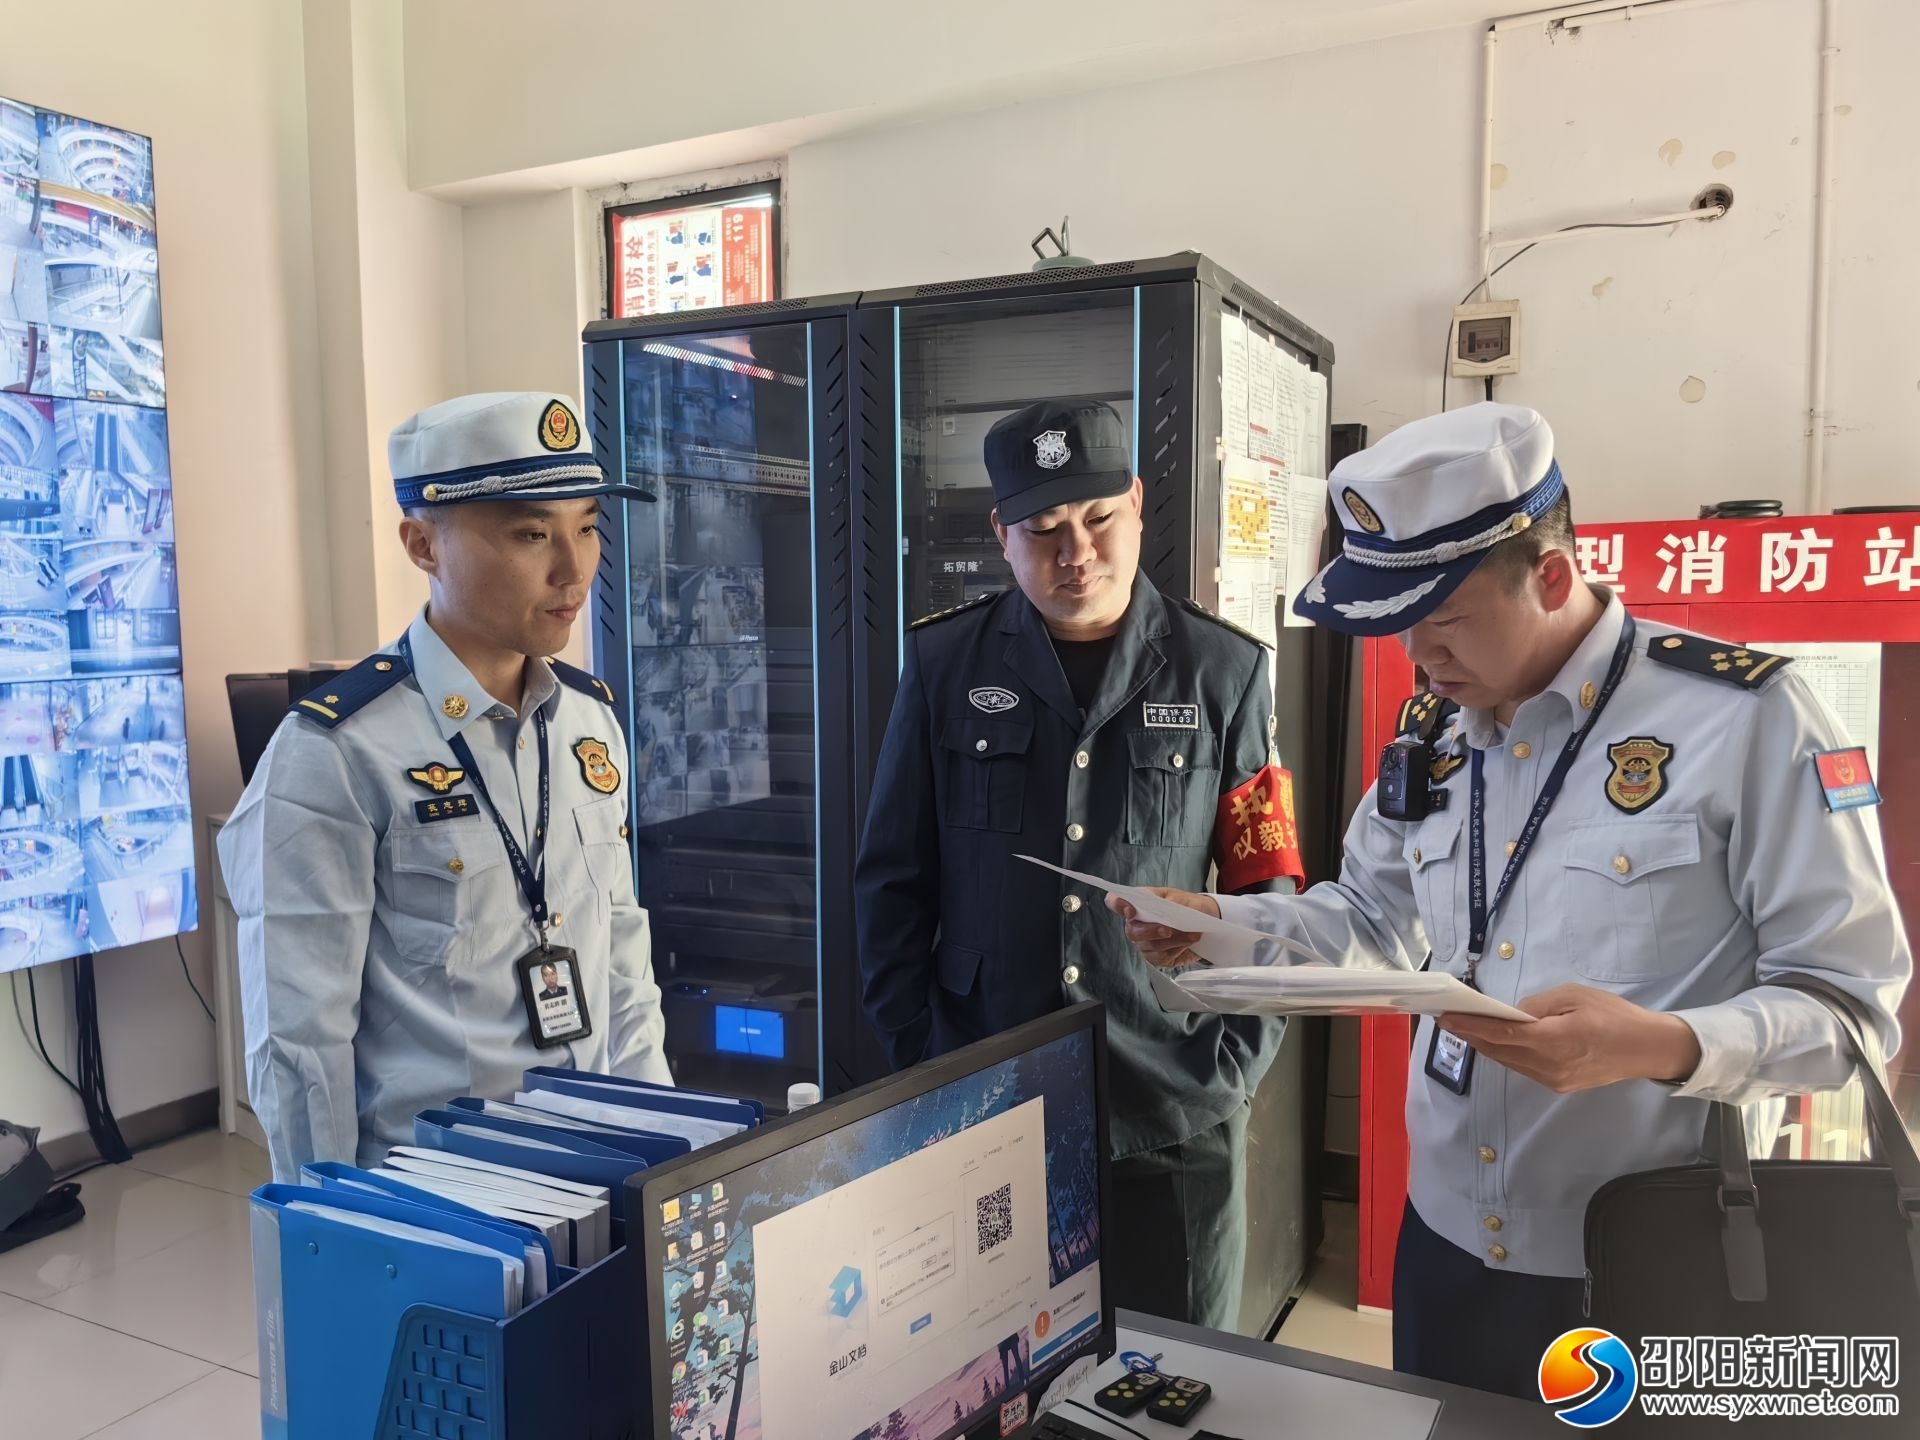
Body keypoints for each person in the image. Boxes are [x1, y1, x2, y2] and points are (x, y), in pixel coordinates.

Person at [1114, 402, 1912, 1396]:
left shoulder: (1745, 721)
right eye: (1402, 627)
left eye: (1443, 620)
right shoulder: (1436, 730)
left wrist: (1658, 1045)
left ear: (1553, 577)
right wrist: (1216, 926)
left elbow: (1851, 1008)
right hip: (1445, 1237)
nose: (1419, 657)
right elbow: (1369, 921)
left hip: (1647, 1253)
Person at [856, 397, 1305, 1330]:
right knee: (991, 1367)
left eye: (1099, 518)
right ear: (1001, 534)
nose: (1077, 553)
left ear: (1137, 503)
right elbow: (892, 880)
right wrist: (924, 1056)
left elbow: (1269, 890)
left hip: (1172, 1101)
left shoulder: (1224, 671)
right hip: (984, 1092)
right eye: (1044, 530)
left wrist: (1231, 1066)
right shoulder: (944, 665)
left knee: (1180, 1375)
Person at [219, 391, 671, 1182]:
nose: (574, 570)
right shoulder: (336, 751)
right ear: (422, 544)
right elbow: (299, 1045)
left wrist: (665, 1155)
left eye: (587, 526)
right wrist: (336, 1224)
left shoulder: (589, 723)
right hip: (442, 1200)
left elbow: (623, 967)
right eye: (532, 533)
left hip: (601, 1167)